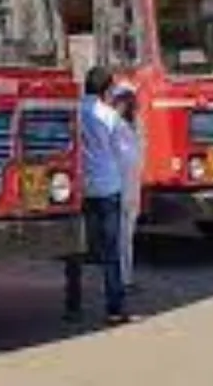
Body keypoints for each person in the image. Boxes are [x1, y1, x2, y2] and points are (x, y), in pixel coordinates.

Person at [64, 66, 130, 325]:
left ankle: (73, 305)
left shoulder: (74, 111)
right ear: (106, 89)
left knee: (75, 249)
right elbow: (122, 153)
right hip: (108, 187)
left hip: (80, 187)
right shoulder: (110, 115)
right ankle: (114, 308)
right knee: (111, 250)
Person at [111, 82, 142, 292]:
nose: (126, 104)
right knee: (119, 237)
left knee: (128, 237)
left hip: (132, 187)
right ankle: (120, 280)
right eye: (122, 100)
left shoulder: (136, 124)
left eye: (129, 99)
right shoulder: (112, 123)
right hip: (118, 186)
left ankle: (127, 277)